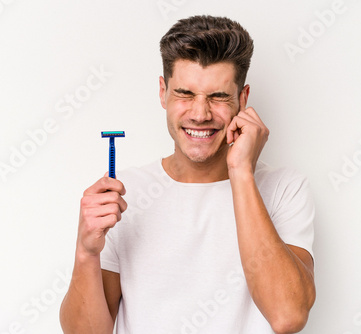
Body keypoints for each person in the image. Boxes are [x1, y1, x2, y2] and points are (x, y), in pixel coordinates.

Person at [60, 15, 315, 334]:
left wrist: (241, 172)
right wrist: (86, 252)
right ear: (163, 92)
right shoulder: (123, 194)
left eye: (219, 97)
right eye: (185, 94)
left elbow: (287, 316)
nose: (200, 114)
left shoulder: (284, 188)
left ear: (243, 99)